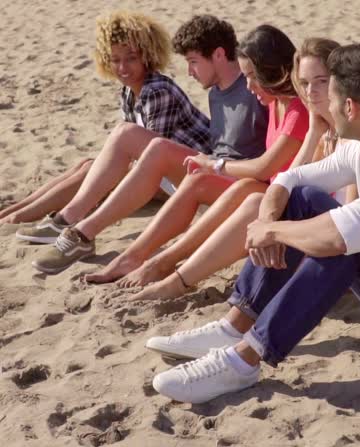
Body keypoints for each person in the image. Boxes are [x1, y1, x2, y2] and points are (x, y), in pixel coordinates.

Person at [149, 43, 360, 404]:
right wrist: (268, 217)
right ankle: (232, 327)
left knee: (347, 239)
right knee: (305, 202)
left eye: (330, 97)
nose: (324, 107)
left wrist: (270, 231)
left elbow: (338, 236)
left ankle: (243, 360)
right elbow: (290, 181)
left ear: (350, 107)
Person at [20, 15, 268, 273]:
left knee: (143, 143)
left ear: (218, 55)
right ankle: (59, 222)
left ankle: (79, 229)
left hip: (235, 183)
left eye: (193, 62)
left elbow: (273, 157)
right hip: (209, 173)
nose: (189, 72)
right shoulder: (217, 92)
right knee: (110, 148)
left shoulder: (254, 90)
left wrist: (217, 165)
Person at [125, 37, 358, 300]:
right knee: (250, 199)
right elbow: (290, 180)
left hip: (341, 250)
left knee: (252, 200)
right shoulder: (322, 132)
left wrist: (271, 225)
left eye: (321, 81)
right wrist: (315, 132)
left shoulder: (352, 138)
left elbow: (351, 225)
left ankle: (174, 275)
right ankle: (169, 269)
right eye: (304, 83)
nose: (311, 91)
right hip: (314, 234)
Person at [80, 24, 309, 285]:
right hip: (259, 186)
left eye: (253, 77)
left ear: (272, 71)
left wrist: (215, 164)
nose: (249, 85)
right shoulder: (273, 102)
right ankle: (135, 257)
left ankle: (164, 264)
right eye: (246, 77)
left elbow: (264, 168)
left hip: (274, 193)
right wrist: (212, 165)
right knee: (197, 179)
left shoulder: (294, 109)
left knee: (203, 173)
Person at [6, 11, 211, 229]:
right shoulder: (129, 92)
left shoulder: (157, 91)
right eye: (115, 60)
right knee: (86, 165)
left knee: (92, 171)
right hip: (168, 175)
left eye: (131, 59)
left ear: (147, 56)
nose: (123, 68)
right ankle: (16, 210)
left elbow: (153, 159)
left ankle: (18, 218)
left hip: (189, 174)